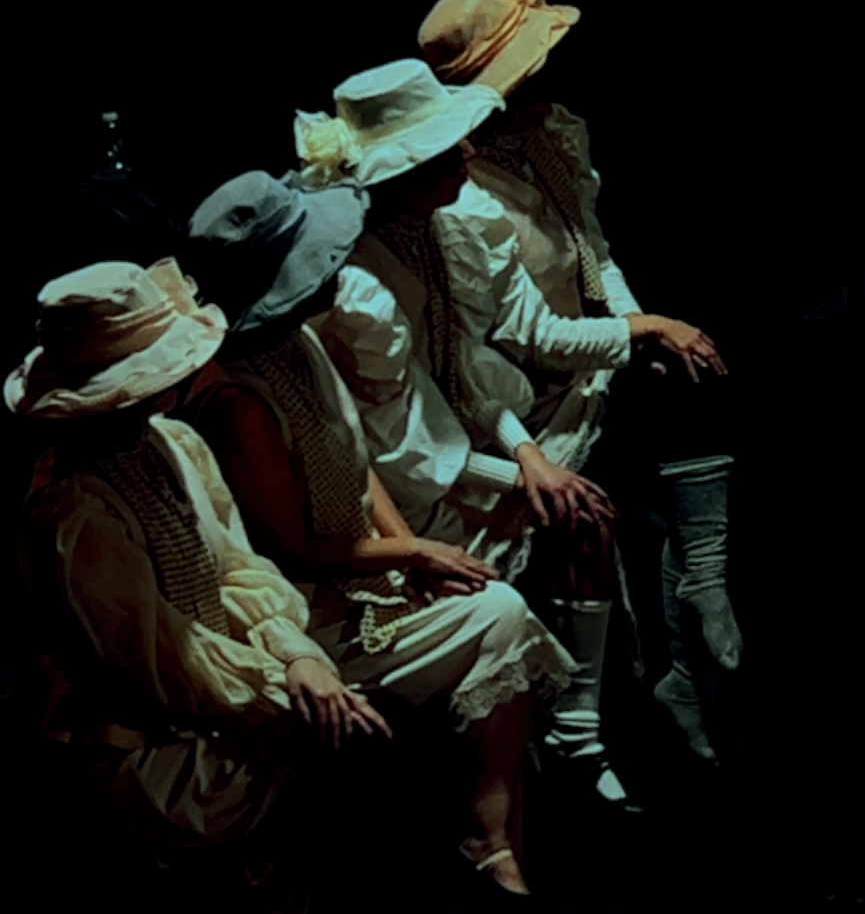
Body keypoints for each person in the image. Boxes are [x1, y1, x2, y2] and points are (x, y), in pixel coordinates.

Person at [184, 169, 580, 899]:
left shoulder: (300, 344)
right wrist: (410, 552)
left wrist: (409, 563)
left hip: (367, 574)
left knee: (489, 599)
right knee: (499, 613)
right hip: (311, 613)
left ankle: (496, 841)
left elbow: (356, 463)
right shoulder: (238, 403)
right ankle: (488, 841)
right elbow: (293, 548)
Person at [292, 61, 644, 809]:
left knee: (582, 508)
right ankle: (497, 759)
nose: (472, 155)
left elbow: (467, 372)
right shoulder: (355, 282)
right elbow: (395, 441)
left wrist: (525, 452)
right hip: (397, 492)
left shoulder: (448, 225)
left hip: (463, 453)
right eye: (450, 151)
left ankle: (578, 733)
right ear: (407, 175)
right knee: (559, 519)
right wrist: (514, 474)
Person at [417, 0, 741, 760]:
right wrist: (640, 331)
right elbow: (527, 335)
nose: (547, 74)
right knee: (599, 503)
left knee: (695, 373)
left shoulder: (556, 132)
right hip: (525, 387)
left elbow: (592, 254)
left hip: (591, 354)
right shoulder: (463, 195)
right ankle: (604, 718)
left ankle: (703, 585)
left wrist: (642, 330)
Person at [4, 258, 389, 906]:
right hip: (152, 744)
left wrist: (298, 654)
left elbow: (237, 569)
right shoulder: (73, 515)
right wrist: (285, 690)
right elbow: (164, 662)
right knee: (347, 747)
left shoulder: (173, 442)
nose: (164, 393)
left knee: (356, 728)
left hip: (230, 693)